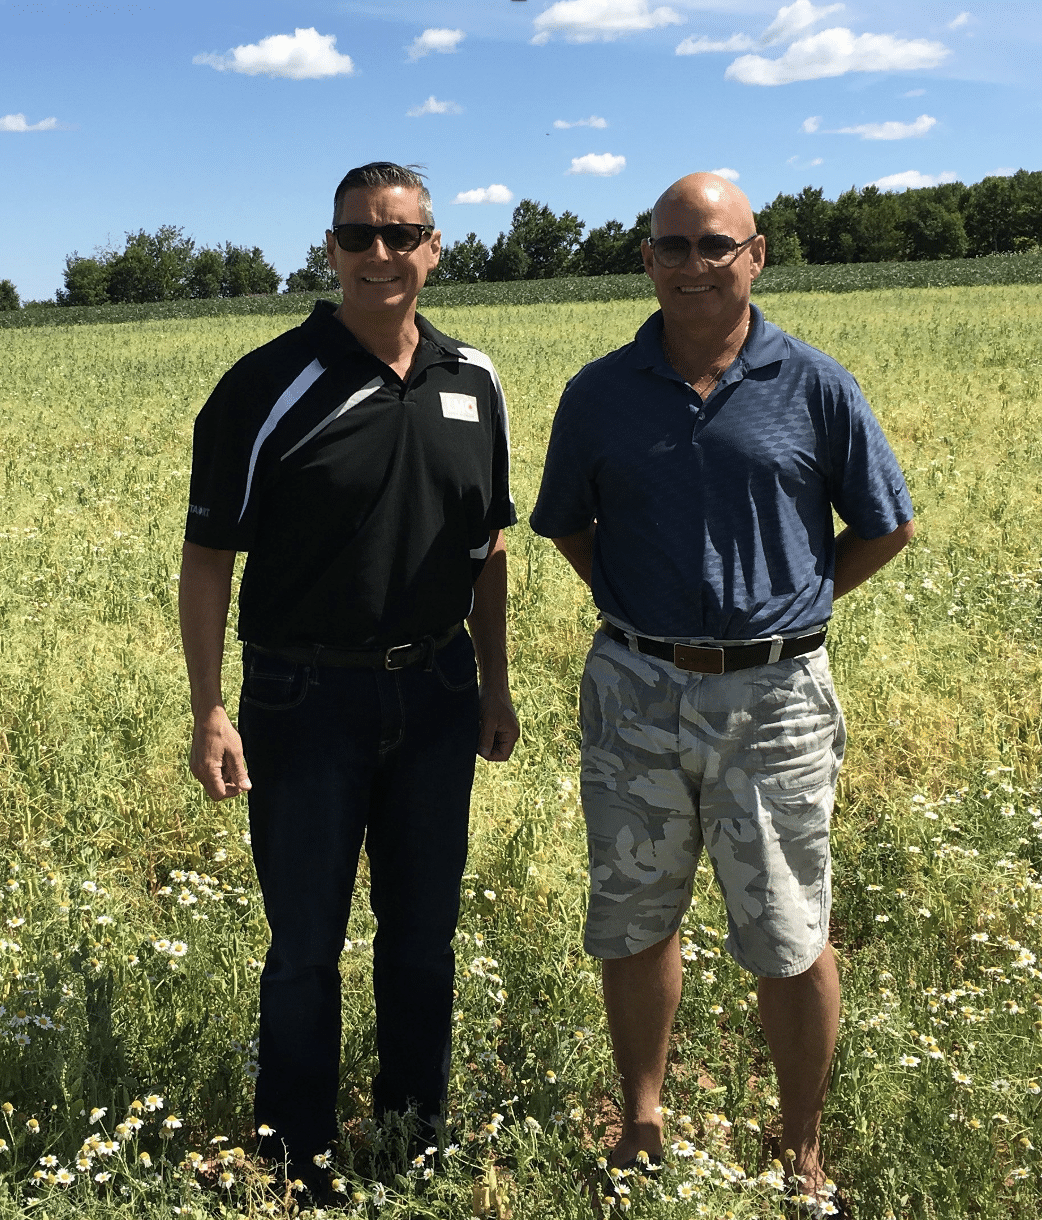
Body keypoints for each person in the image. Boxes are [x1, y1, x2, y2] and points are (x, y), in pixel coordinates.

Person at [530, 172, 913, 1209]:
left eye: (713, 245)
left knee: (789, 929)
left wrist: (790, 605)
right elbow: (565, 521)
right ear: (645, 261)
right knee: (633, 915)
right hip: (634, 687)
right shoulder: (598, 392)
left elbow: (885, 522)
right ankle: (641, 1119)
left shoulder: (815, 383)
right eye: (670, 247)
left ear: (755, 255)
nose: (691, 265)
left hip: (776, 697)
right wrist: (639, 614)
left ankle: (801, 1149)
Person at [179, 162, 519, 1195]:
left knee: (423, 936)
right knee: (306, 943)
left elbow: (489, 549)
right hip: (303, 698)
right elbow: (208, 558)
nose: (381, 254)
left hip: (434, 696)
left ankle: (415, 1140)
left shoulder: (474, 379)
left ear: (435, 245)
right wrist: (208, 707)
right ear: (328, 249)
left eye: (400, 234)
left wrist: (494, 684)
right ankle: (298, 1156)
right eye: (358, 236)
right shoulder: (265, 384)